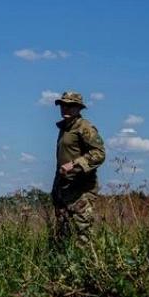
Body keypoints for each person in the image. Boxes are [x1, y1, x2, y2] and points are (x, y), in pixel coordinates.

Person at [51, 91, 106, 246]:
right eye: (63, 105)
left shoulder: (84, 127)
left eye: (70, 105)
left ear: (78, 108)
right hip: (64, 190)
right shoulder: (65, 128)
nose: (65, 108)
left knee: (83, 235)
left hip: (81, 191)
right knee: (63, 236)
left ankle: (89, 268)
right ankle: (65, 267)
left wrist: (76, 164)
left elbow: (99, 153)